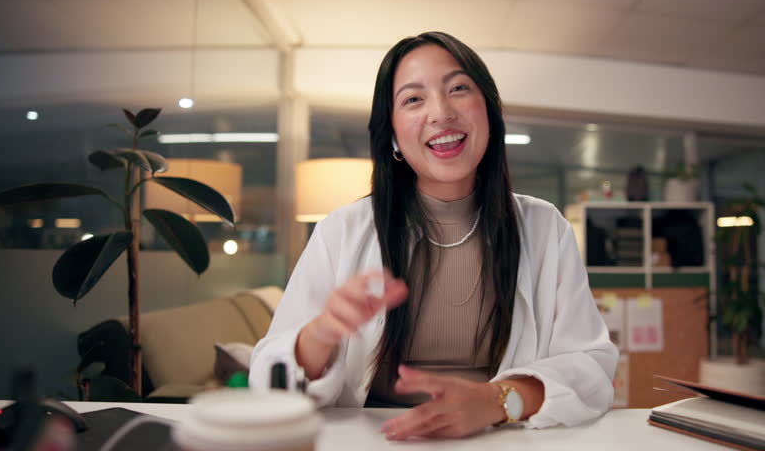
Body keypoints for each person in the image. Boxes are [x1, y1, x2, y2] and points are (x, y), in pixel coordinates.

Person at [250, 31, 618, 439]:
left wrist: (499, 401)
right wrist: (320, 334)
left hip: (500, 437)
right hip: (375, 438)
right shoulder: (343, 229)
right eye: (413, 99)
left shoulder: (545, 226)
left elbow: (591, 365)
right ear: (391, 134)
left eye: (458, 89)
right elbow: (267, 374)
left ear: (489, 113)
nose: (441, 113)